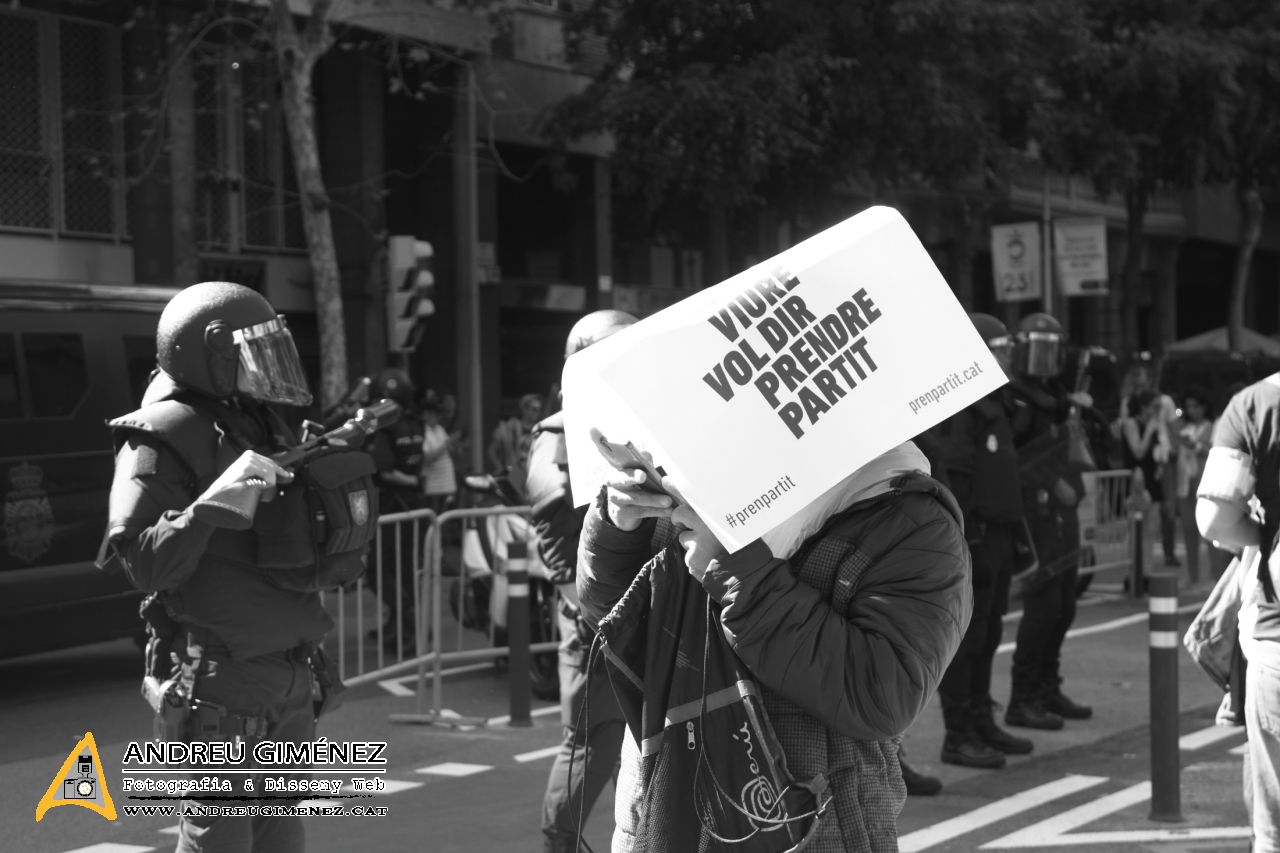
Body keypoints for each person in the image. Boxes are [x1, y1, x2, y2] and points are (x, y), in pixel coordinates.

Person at [577, 439, 972, 850]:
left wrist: (735, 571)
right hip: (659, 814)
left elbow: (882, 693)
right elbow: (613, 617)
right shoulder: (693, 474)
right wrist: (617, 525)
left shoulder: (913, 524)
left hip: (815, 828)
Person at [97, 281, 332, 853]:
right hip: (219, 679)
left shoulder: (255, 422)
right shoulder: (157, 437)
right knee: (220, 839)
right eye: (249, 352)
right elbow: (145, 564)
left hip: (289, 670)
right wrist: (206, 510)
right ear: (213, 352)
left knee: (280, 834)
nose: (262, 367)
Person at [528, 309, 638, 853]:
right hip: (599, 623)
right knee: (590, 742)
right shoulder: (556, 437)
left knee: (640, 744)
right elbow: (554, 538)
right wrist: (599, 615)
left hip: (645, 613)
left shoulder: (637, 425)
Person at [931, 313, 1035, 769]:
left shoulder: (996, 402)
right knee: (968, 639)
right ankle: (958, 735)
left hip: (997, 535)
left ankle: (980, 716)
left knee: (990, 632)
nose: (1008, 356)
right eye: (999, 348)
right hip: (974, 538)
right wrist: (968, 536)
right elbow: (953, 475)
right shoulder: (959, 406)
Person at [1196, 373, 1280, 850]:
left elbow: (1213, 518)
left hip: (1277, 636)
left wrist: (1264, 538)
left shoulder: (1257, 406)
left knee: (1274, 831)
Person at [1005, 311, 1094, 730]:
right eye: (1036, 350)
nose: (1043, 361)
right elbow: (1013, 460)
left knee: (1064, 603)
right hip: (1035, 510)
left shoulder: (1054, 395)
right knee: (1042, 605)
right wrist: (1052, 480)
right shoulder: (1013, 399)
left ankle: (1046, 686)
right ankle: (1023, 696)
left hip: (1061, 509)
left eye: (1050, 351)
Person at [367, 367, 426, 651]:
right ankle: (398, 628)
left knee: (379, 574)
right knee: (404, 571)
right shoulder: (416, 424)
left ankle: (407, 631)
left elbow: (386, 471)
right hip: (413, 508)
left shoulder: (385, 430)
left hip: (391, 508)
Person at [1120, 361, 1180, 567]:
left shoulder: (1154, 424)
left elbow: (1159, 450)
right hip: (1138, 477)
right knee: (1137, 526)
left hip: (1152, 476)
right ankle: (1136, 571)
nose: (1157, 411)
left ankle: (1146, 568)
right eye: (1154, 407)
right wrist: (1148, 430)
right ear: (1144, 407)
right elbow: (1138, 451)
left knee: (1151, 527)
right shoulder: (1131, 423)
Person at [1176, 387, 1214, 584]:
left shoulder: (1212, 426)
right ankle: (1193, 575)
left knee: (1209, 532)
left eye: (1196, 406)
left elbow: (1215, 451)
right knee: (1189, 531)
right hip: (1185, 484)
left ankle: (1214, 577)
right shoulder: (1184, 426)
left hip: (1205, 485)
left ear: (1204, 407)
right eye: (1189, 406)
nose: (1192, 410)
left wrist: (1197, 446)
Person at [488, 393, 543, 496]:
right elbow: (492, 450)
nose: (537, 413)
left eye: (539, 410)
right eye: (534, 409)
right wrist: (500, 468)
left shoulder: (540, 430)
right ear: (525, 409)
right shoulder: (509, 428)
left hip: (533, 478)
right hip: (513, 477)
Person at [419, 390, 458, 516]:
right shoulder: (423, 431)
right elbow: (428, 457)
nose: (438, 418)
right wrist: (446, 444)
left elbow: (448, 448)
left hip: (447, 482)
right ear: (428, 415)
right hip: (434, 484)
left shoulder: (440, 429)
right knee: (434, 516)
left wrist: (453, 445)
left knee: (445, 516)